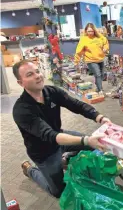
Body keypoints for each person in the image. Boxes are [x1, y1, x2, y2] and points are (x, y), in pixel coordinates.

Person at [12, 60, 111, 198]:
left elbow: (76, 105)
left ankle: (65, 160)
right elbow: (50, 135)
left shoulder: (52, 92)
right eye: (30, 74)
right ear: (20, 83)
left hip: (61, 138)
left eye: (38, 71)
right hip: (44, 153)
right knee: (59, 192)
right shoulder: (21, 110)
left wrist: (99, 117)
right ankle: (30, 170)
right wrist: (87, 140)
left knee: (95, 146)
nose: (38, 76)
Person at [74, 23, 109, 93]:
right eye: (89, 31)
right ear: (86, 31)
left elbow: (106, 43)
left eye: (92, 31)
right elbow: (79, 51)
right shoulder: (84, 39)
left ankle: (97, 85)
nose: (90, 33)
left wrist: (105, 48)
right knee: (98, 74)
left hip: (100, 59)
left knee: (101, 75)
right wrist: (76, 62)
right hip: (90, 60)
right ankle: (100, 90)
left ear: (94, 31)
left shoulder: (99, 37)